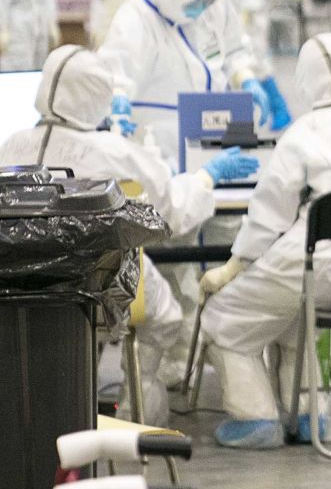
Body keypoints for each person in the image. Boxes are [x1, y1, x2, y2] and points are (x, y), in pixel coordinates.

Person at [0, 45, 258, 424]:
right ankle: (134, 416)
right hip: (97, 283)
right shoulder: (115, 152)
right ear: (98, 97)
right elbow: (170, 211)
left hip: (14, 286)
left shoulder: (10, 145)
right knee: (165, 318)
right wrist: (208, 175)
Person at [197, 33, 331, 450]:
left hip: (326, 268)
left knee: (224, 318)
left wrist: (233, 266)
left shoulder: (305, 132)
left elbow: (268, 214)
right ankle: (311, 415)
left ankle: (255, 417)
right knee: (293, 318)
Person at [97, 0, 267, 167]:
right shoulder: (137, 19)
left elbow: (234, 49)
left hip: (215, 137)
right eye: (196, 3)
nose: (203, 9)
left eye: (208, 2)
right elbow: (114, 73)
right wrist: (117, 101)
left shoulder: (213, 4)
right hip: (159, 148)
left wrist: (245, 77)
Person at [219, 0, 292, 130]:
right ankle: (243, 115)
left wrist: (245, 16)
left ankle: (279, 110)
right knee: (236, 65)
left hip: (251, 19)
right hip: (232, 18)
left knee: (257, 63)